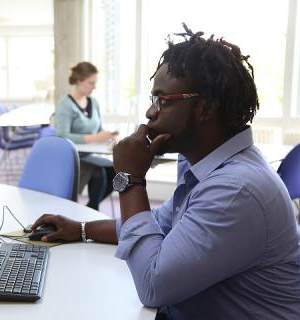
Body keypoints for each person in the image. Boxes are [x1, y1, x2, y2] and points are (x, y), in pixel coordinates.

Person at [33, 24, 300, 319]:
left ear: (205, 109)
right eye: (152, 100)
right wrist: (81, 229)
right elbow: (160, 224)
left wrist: (131, 181)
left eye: (162, 100)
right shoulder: (205, 167)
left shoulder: (237, 189)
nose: (150, 113)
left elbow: (153, 285)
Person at [55, 62, 118, 210]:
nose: (94, 87)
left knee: (116, 171)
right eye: (91, 83)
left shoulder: (94, 103)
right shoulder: (65, 105)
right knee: (99, 172)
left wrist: (109, 136)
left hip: (91, 154)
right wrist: (96, 138)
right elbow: (62, 135)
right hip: (73, 156)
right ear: (79, 80)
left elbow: (99, 129)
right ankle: (92, 210)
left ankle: (89, 209)